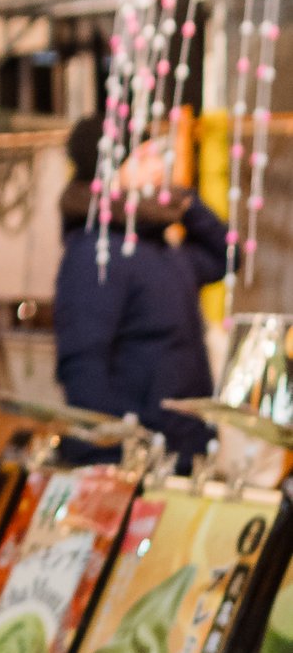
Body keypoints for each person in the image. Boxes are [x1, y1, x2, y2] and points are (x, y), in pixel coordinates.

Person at [53, 116, 224, 459]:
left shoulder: (161, 248)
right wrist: (115, 453)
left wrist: (184, 201)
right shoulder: (95, 254)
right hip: (134, 460)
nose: (159, 165)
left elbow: (224, 256)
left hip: (180, 449)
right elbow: (84, 367)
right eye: (142, 157)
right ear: (110, 172)